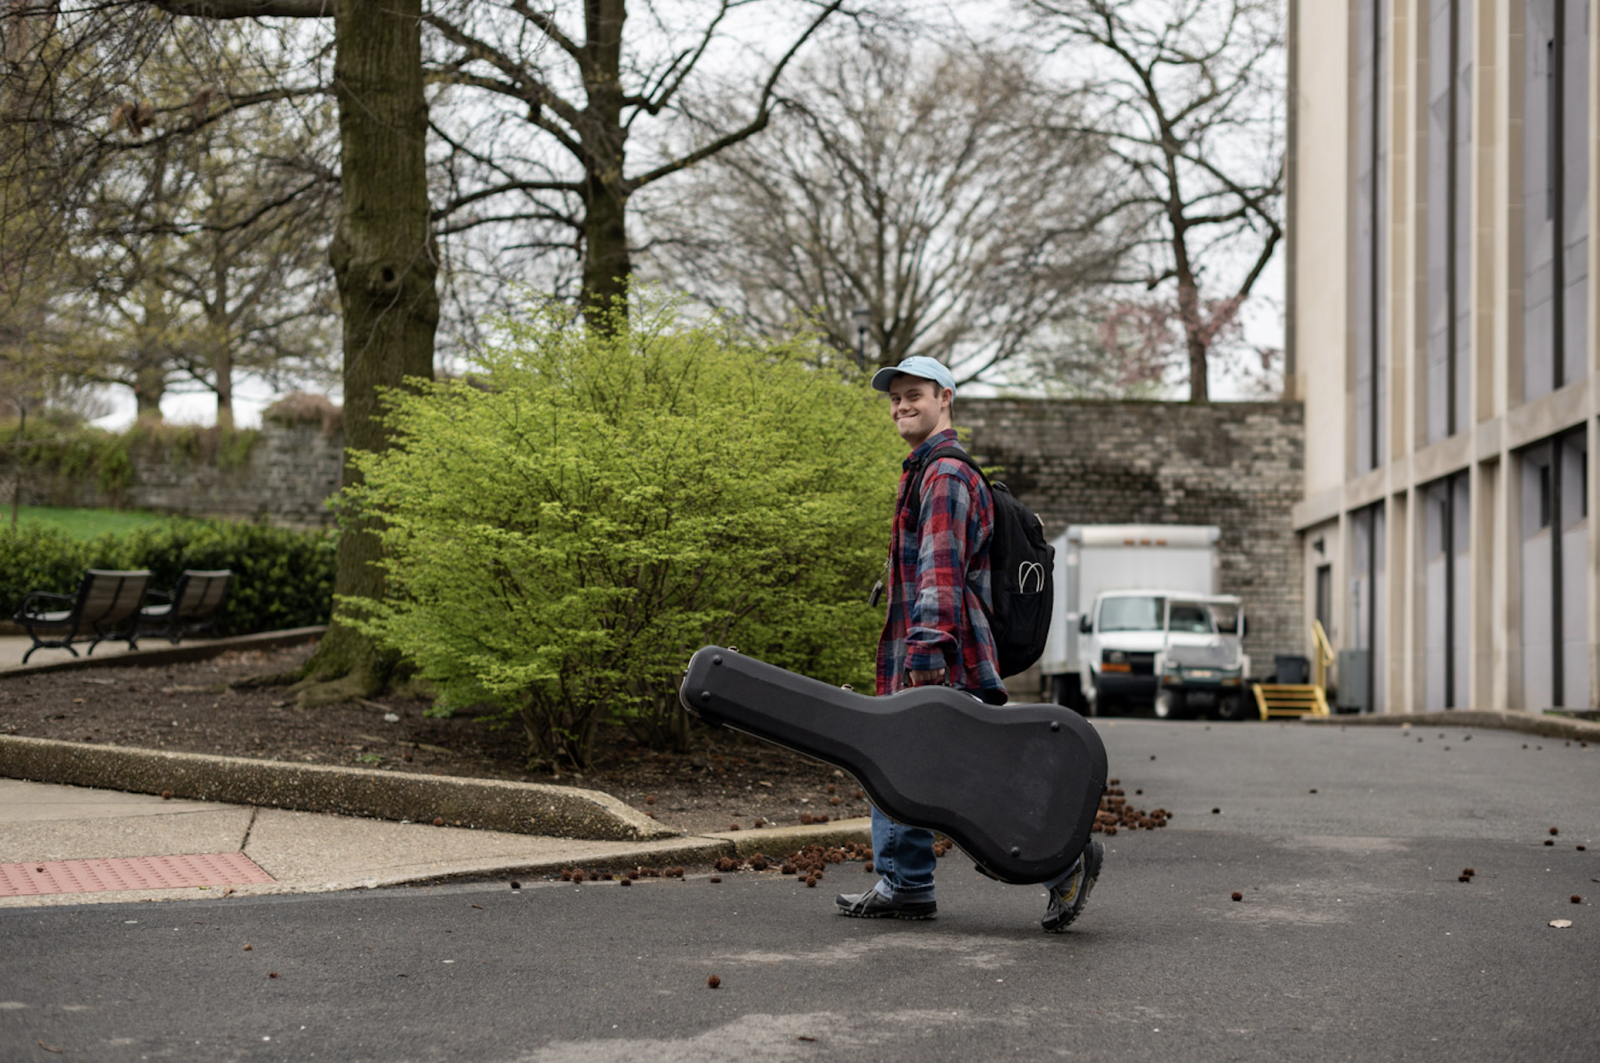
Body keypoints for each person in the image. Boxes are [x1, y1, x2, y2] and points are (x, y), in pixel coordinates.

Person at [834, 355, 1104, 932]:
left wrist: (927, 651)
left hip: (944, 659)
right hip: (929, 652)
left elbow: (942, 570)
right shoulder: (925, 470)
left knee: (973, 782)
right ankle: (904, 882)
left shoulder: (947, 475)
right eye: (895, 398)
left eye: (914, 394)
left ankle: (1064, 862)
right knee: (898, 763)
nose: (902, 405)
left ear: (945, 398)